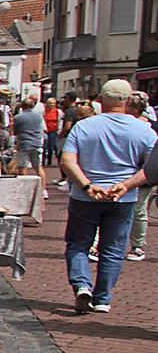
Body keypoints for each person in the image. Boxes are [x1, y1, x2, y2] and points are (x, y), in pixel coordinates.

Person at [59, 79, 154, 314]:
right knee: (112, 249)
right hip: (122, 198)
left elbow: (67, 160)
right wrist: (126, 185)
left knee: (78, 244)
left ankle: (82, 285)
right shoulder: (143, 130)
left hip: (85, 197)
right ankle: (102, 298)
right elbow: (152, 167)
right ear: (128, 101)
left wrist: (87, 185)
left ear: (100, 100)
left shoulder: (84, 127)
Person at [123, 93, 157, 261]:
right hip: (131, 174)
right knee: (137, 210)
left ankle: (137, 246)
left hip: (142, 175)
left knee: (138, 209)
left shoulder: (148, 127)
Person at [12, 94, 48, 201]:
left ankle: (25, 190)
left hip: (24, 143)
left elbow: (15, 131)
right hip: (36, 143)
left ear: (22, 106)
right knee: (38, 167)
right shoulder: (38, 116)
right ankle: (43, 190)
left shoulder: (18, 117)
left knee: (22, 167)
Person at [42, 97, 61, 167]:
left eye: (53, 103)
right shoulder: (44, 111)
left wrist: (59, 129)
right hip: (45, 130)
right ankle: (43, 161)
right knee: (45, 145)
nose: (52, 105)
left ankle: (49, 161)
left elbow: (59, 120)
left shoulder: (58, 111)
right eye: (50, 103)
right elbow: (42, 119)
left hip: (53, 130)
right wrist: (44, 128)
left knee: (51, 146)